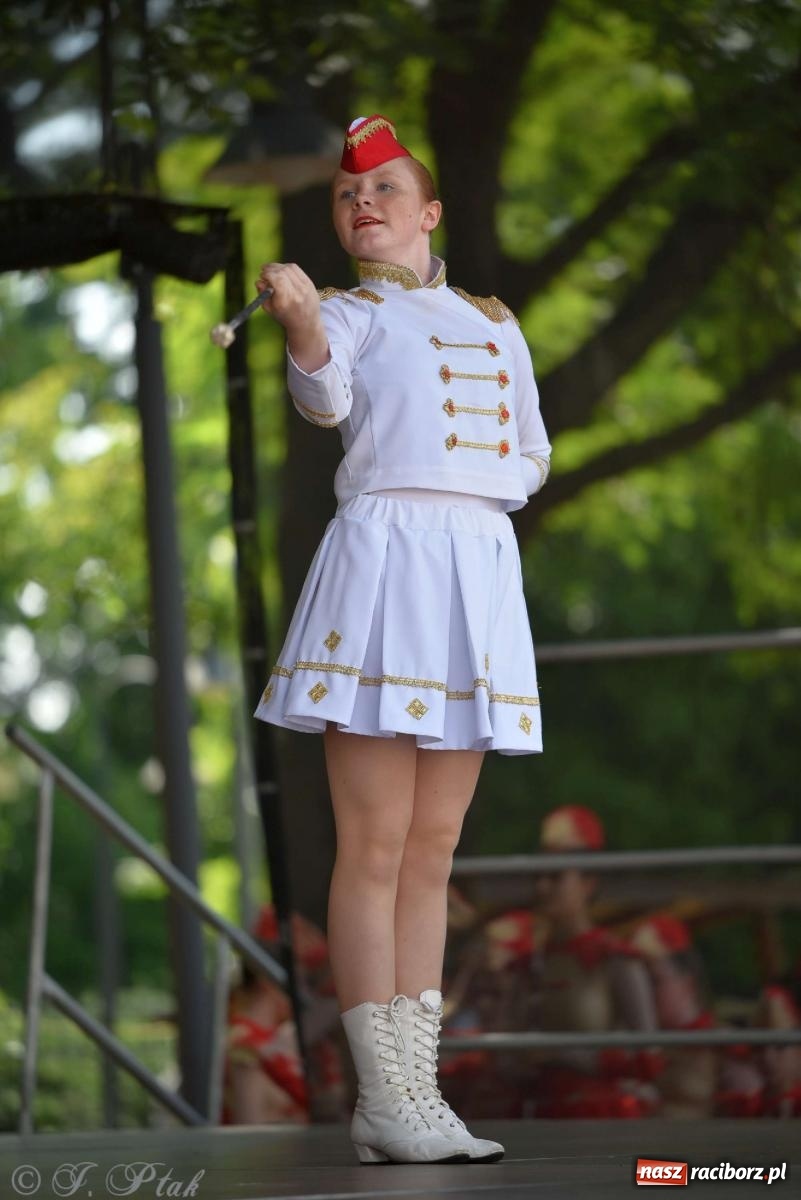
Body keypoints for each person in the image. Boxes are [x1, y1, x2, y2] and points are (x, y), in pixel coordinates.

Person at [253, 113, 551, 1164]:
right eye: (347, 195)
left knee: (434, 847)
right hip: (387, 564)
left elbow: (533, 449)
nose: (361, 203)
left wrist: (477, 499)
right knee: (375, 842)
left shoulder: (496, 322)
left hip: (474, 568)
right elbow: (322, 394)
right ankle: (382, 1093)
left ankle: (416, 1094)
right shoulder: (345, 312)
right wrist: (299, 322)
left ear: (430, 213)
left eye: (384, 189)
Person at [222, 905, 347, 1125]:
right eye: (302, 981)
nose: (306, 993)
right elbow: (251, 1126)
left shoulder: (273, 1037)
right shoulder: (248, 1045)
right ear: (268, 981)